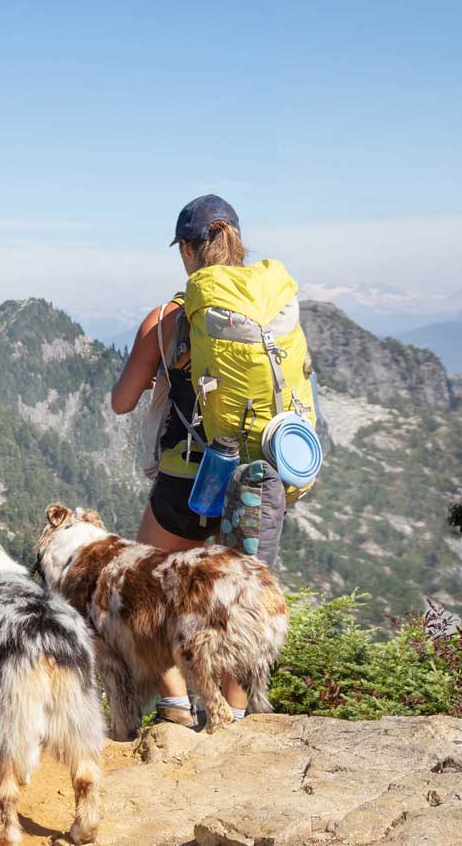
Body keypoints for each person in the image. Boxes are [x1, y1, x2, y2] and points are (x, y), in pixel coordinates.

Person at [111, 193, 313, 728]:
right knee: (241, 599)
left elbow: (122, 401)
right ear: (237, 241)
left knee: (142, 587)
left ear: (186, 252)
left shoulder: (168, 317)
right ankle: (237, 719)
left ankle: (175, 704)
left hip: (188, 479)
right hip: (258, 476)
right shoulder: (273, 310)